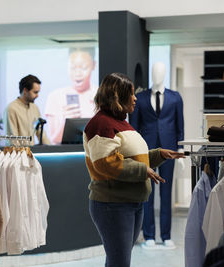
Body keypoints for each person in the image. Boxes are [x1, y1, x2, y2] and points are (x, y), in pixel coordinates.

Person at [83, 72, 185, 267]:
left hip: (129, 203)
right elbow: (105, 163)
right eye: (130, 93)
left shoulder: (121, 122)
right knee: (119, 262)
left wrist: (159, 155)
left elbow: (133, 157)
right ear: (117, 96)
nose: (135, 98)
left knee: (118, 261)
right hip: (113, 204)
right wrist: (142, 170)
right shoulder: (101, 123)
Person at [129, 62, 184, 250]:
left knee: (167, 193)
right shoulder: (140, 98)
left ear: (165, 73)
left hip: (169, 150)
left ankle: (166, 235)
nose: (157, 74)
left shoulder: (175, 98)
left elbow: (179, 127)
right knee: (147, 193)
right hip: (146, 150)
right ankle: (149, 235)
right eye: (154, 71)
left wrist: (180, 150)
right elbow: (134, 128)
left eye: (160, 71)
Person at [45, 47, 98, 144]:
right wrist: (65, 122)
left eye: (84, 68)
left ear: (94, 65)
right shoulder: (55, 97)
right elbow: (54, 140)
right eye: (73, 67)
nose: (78, 73)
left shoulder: (101, 94)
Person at [4, 74, 50, 145]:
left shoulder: (35, 108)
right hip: (18, 154)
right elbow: (12, 140)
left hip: (31, 153)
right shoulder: (11, 108)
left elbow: (41, 133)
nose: (37, 95)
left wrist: (51, 149)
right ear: (25, 90)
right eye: (35, 92)